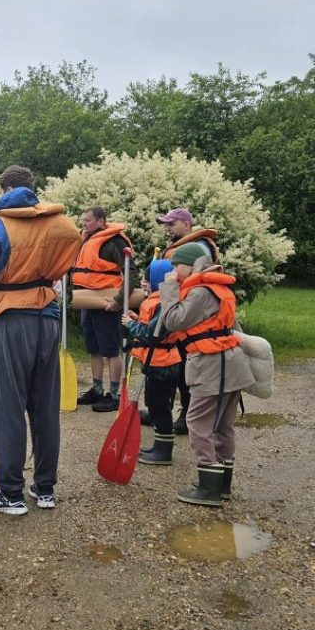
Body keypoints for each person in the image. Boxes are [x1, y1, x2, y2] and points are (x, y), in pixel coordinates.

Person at [0, 165, 81, 515]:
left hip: (11, 319)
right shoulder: (61, 223)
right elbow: (67, 262)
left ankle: (11, 494)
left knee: (9, 404)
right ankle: (44, 489)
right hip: (48, 317)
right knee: (46, 407)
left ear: (5, 189)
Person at [158, 243, 254, 506]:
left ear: (189, 266)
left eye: (176, 265)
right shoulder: (219, 288)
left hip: (211, 366)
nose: (174, 271)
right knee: (223, 427)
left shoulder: (200, 292)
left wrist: (167, 290)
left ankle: (208, 489)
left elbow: (174, 321)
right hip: (230, 366)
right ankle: (221, 485)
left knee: (199, 424)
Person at [156, 208, 220, 434]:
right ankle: (167, 410)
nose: (168, 228)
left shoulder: (198, 248)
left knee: (186, 368)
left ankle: (187, 414)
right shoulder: (184, 246)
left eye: (171, 224)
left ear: (186, 224)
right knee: (180, 366)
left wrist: (170, 289)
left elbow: (194, 284)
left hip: (191, 315)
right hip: (180, 307)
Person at [71, 207, 135, 413]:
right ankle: (97, 389)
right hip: (88, 301)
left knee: (110, 350)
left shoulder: (115, 241)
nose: (84, 224)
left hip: (107, 302)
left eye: (88, 220)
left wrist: (118, 300)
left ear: (101, 221)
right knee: (94, 349)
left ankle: (114, 395)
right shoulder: (88, 240)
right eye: (83, 220)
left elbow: (131, 274)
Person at [121, 259, 180, 466]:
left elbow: (152, 335)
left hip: (163, 363)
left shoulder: (165, 304)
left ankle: (164, 452)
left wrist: (131, 325)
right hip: (156, 360)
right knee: (155, 405)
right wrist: (137, 319)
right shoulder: (157, 302)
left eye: (147, 280)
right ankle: (159, 445)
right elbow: (150, 327)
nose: (144, 283)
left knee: (159, 407)